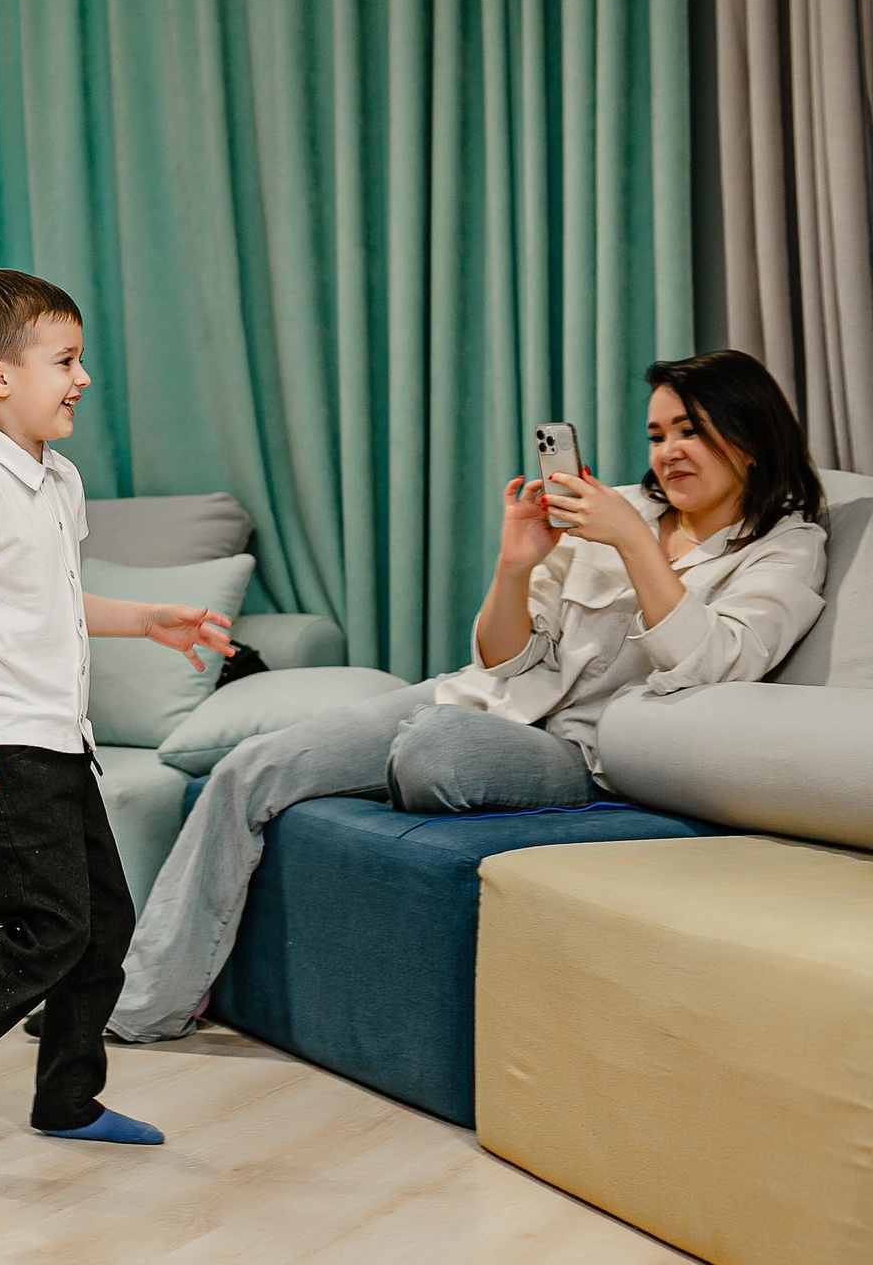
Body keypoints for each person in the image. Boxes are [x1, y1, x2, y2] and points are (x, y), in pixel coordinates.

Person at [109, 348, 830, 1043]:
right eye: (657, 434)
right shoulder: (615, 508)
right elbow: (501, 656)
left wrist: (634, 546)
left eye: (690, 431)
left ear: (749, 440)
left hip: (583, 752)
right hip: (478, 696)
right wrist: (514, 566)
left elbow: (716, 664)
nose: (669, 452)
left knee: (436, 750)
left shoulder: (785, 546)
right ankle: (141, 1005)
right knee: (251, 765)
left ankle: (396, 768)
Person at [0, 270, 237, 1172]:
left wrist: (145, 619)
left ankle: (67, 1099)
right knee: (50, 927)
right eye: (65, 361)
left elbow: (51, 601)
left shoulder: (56, 478)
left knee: (103, 925)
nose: (82, 378)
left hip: (63, 741)